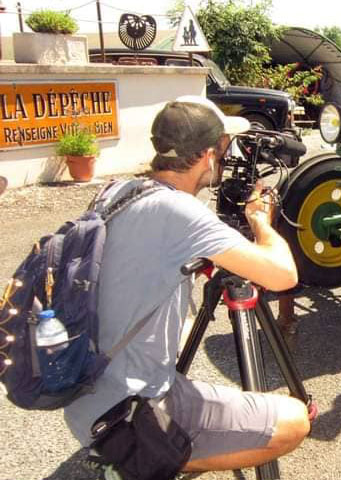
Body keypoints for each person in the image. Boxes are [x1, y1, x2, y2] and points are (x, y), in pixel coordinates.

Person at [63, 96, 310, 474]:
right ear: (208, 156)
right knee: (295, 421)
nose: (228, 157)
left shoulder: (118, 191)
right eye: (225, 147)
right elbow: (283, 275)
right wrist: (260, 221)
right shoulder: (181, 212)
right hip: (128, 405)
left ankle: (146, 447)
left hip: (89, 389)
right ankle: (148, 458)